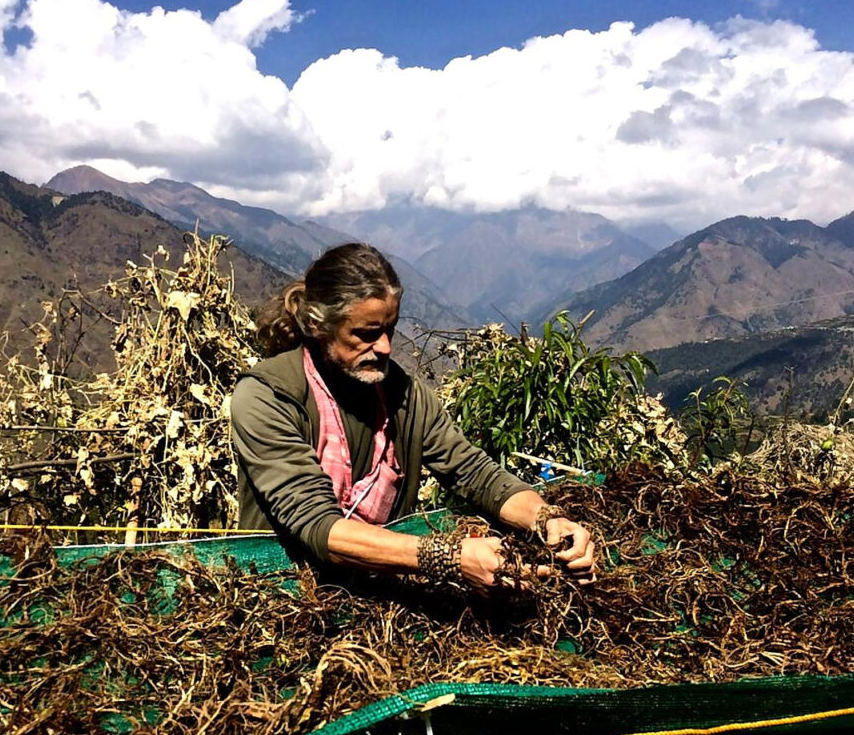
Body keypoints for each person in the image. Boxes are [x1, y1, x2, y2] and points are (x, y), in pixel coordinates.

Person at [231, 243, 595, 592]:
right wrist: (449, 558)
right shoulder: (268, 397)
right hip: (284, 598)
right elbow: (318, 525)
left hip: (379, 592)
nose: (386, 347)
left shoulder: (403, 395)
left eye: (390, 330)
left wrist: (546, 518)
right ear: (316, 325)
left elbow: (473, 472)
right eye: (367, 334)